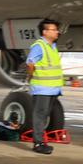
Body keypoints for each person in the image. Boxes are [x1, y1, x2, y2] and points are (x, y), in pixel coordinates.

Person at [24, 18, 65, 155]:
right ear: (45, 32)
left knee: (44, 115)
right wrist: (30, 77)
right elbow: (30, 63)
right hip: (42, 88)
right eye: (53, 30)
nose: (56, 32)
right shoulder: (39, 46)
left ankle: (41, 140)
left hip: (52, 89)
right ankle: (38, 143)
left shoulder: (52, 46)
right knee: (40, 115)